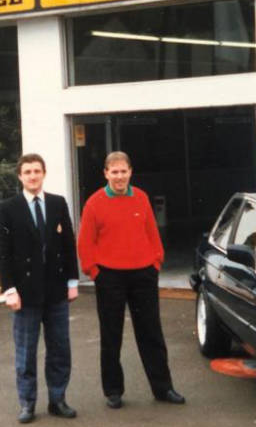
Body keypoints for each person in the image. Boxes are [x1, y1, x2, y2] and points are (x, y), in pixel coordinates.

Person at [77, 151, 184, 408]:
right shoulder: (94, 203)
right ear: (106, 174)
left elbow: (152, 233)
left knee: (151, 333)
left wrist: (156, 262)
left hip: (143, 275)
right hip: (109, 277)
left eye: (123, 171)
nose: (119, 177)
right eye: (114, 172)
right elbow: (85, 242)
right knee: (111, 335)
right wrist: (94, 271)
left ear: (130, 172)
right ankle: (113, 391)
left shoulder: (142, 198)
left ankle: (163, 388)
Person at [0, 153, 79, 424]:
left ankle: (58, 399)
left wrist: (73, 282)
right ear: (20, 176)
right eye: (27, 172)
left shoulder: (57, 203)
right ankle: (27, 403)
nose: (33, 176)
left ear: (44, 174)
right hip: (25, 294)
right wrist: (9, 289)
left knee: (60, 349)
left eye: (37, 171)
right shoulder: (8, 208)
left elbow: (68, 245)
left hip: (55, 291)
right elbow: (3, 253)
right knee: (26, 352)